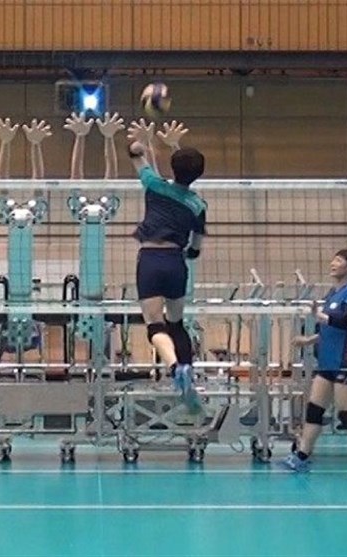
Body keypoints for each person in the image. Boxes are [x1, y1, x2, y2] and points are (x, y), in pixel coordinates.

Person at [283, 249, 347, 477]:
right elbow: (330, 329)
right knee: (314, 410)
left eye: (339, 260)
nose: (333, 263)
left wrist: (319, 315)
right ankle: (301, 457)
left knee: (346, 414)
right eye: (334, 259)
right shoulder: (332, 293)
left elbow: (346, 320)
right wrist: (309, 340)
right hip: (327, 361)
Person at [126, 125, 206, 412]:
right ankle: (187, 374)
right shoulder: (197, 204)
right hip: (175, 262)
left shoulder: (155, 186)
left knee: (155, 324)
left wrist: (142, 144)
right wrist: (190, 253)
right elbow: (195, 247)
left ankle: (174, 367)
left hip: (150, 259)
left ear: (172, 167)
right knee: (176, 323)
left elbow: (134, 155)